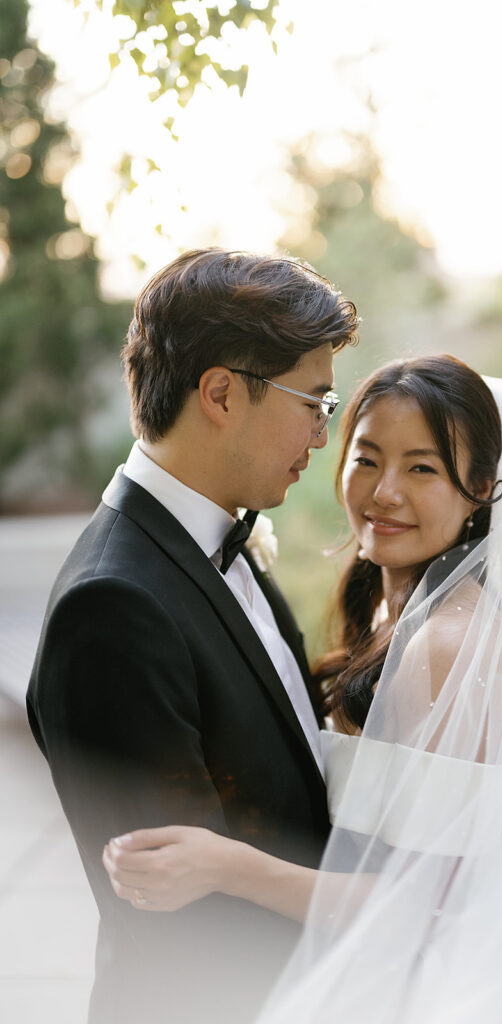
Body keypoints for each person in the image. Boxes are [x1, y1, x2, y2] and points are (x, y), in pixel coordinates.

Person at [104, 355, 502, 1023]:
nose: (383, 492)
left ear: (482, 489)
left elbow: (427, 908)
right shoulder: (389, 605)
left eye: (422, 468)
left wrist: (225, 866)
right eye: (367, 458)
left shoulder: (448, 646)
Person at [26, 248, 360, 1024]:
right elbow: (180, 917)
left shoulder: (221, 541)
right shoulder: (114, 606)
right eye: (313, 402)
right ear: (219, 393)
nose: (321, 433)